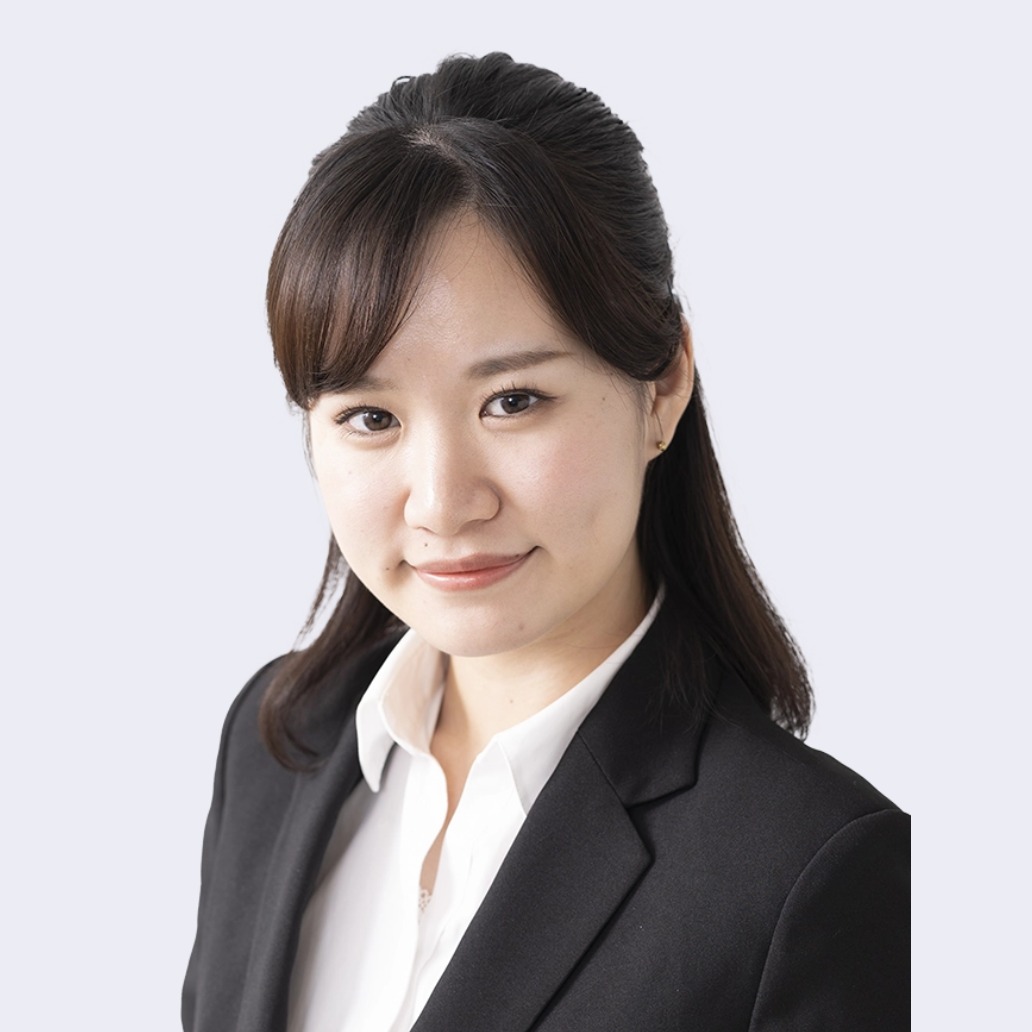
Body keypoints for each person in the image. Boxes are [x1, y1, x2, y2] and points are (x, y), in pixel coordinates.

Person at [183, 52, 910, 1032]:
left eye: (513, 400)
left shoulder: (810, 873)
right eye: (370, 417)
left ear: (664, 385)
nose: (444, 503)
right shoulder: (277, 743)